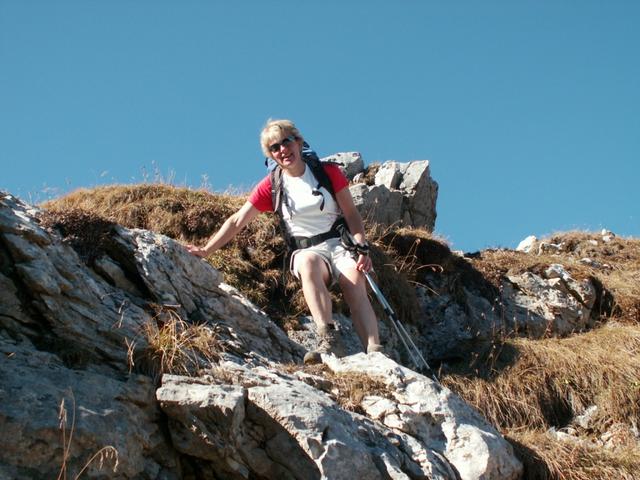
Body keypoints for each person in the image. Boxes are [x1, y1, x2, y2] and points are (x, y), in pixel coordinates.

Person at [187, 119, 381, 363]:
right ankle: (329, 339)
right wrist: (206, 250)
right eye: (274, 148)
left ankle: (375, 351)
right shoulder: (272, 185)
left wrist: (362, 247)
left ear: (298, 142)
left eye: (286, 142)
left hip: (339, 244)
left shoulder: (326, 172)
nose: (282, 150)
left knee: (354, 282)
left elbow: (352, 214)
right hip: (306, 249)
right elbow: (237, 220)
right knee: (308, 264)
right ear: (271, 155)